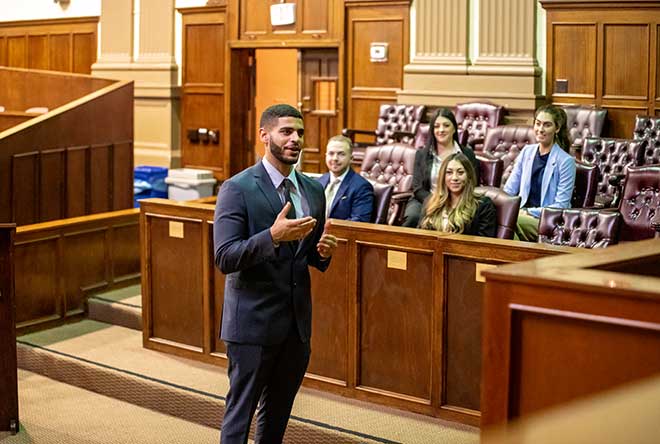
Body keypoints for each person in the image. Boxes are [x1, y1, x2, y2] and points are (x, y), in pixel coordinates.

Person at [213, 104, 338, 444]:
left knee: (277, 417)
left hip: (295, 327)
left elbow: (303, 255)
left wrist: (320, 253)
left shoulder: (313, 190)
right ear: (264, 136)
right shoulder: (237, 188)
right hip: (252, 324)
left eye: (299, 132)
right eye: (286, 132)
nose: (295, 139)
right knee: (240, 417)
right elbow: (225, 257)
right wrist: (271, 236)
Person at [503, 104, 576, 241]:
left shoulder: (566, 161)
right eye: (538, 124)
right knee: (502, 219)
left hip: (546, 219)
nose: (540, 129)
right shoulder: (527, 151)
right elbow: (509, 190)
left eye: (547, 125)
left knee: (509, 221)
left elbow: (561, 205)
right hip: (520, 214)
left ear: (557, 129)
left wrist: (527, 211)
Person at [402, 107, 480, 227]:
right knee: (414, 218)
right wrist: (436, 202)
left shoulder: (467, 154)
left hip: (458, 201)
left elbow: (473, 183)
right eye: (437, 126)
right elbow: (417, 188)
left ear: (454, 128)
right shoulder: (422, 154)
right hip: (426, 199)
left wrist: (451, 202)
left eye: (446, 125)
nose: (441, 130)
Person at [419, 152, 496, 237]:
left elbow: (485, 244)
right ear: (443, 177)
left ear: (468, 176)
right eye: (449, 172)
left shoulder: (483, 206)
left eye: (460, 172)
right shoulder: (431, 202)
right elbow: (420, 236)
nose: (454, 178)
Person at [317, 135, 374, 222]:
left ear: (351, 158)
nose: (335, 158)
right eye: (331, 153)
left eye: (341, 154)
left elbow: (359, 221)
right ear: (326, 156)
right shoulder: (317, 182)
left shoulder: (362, 187)